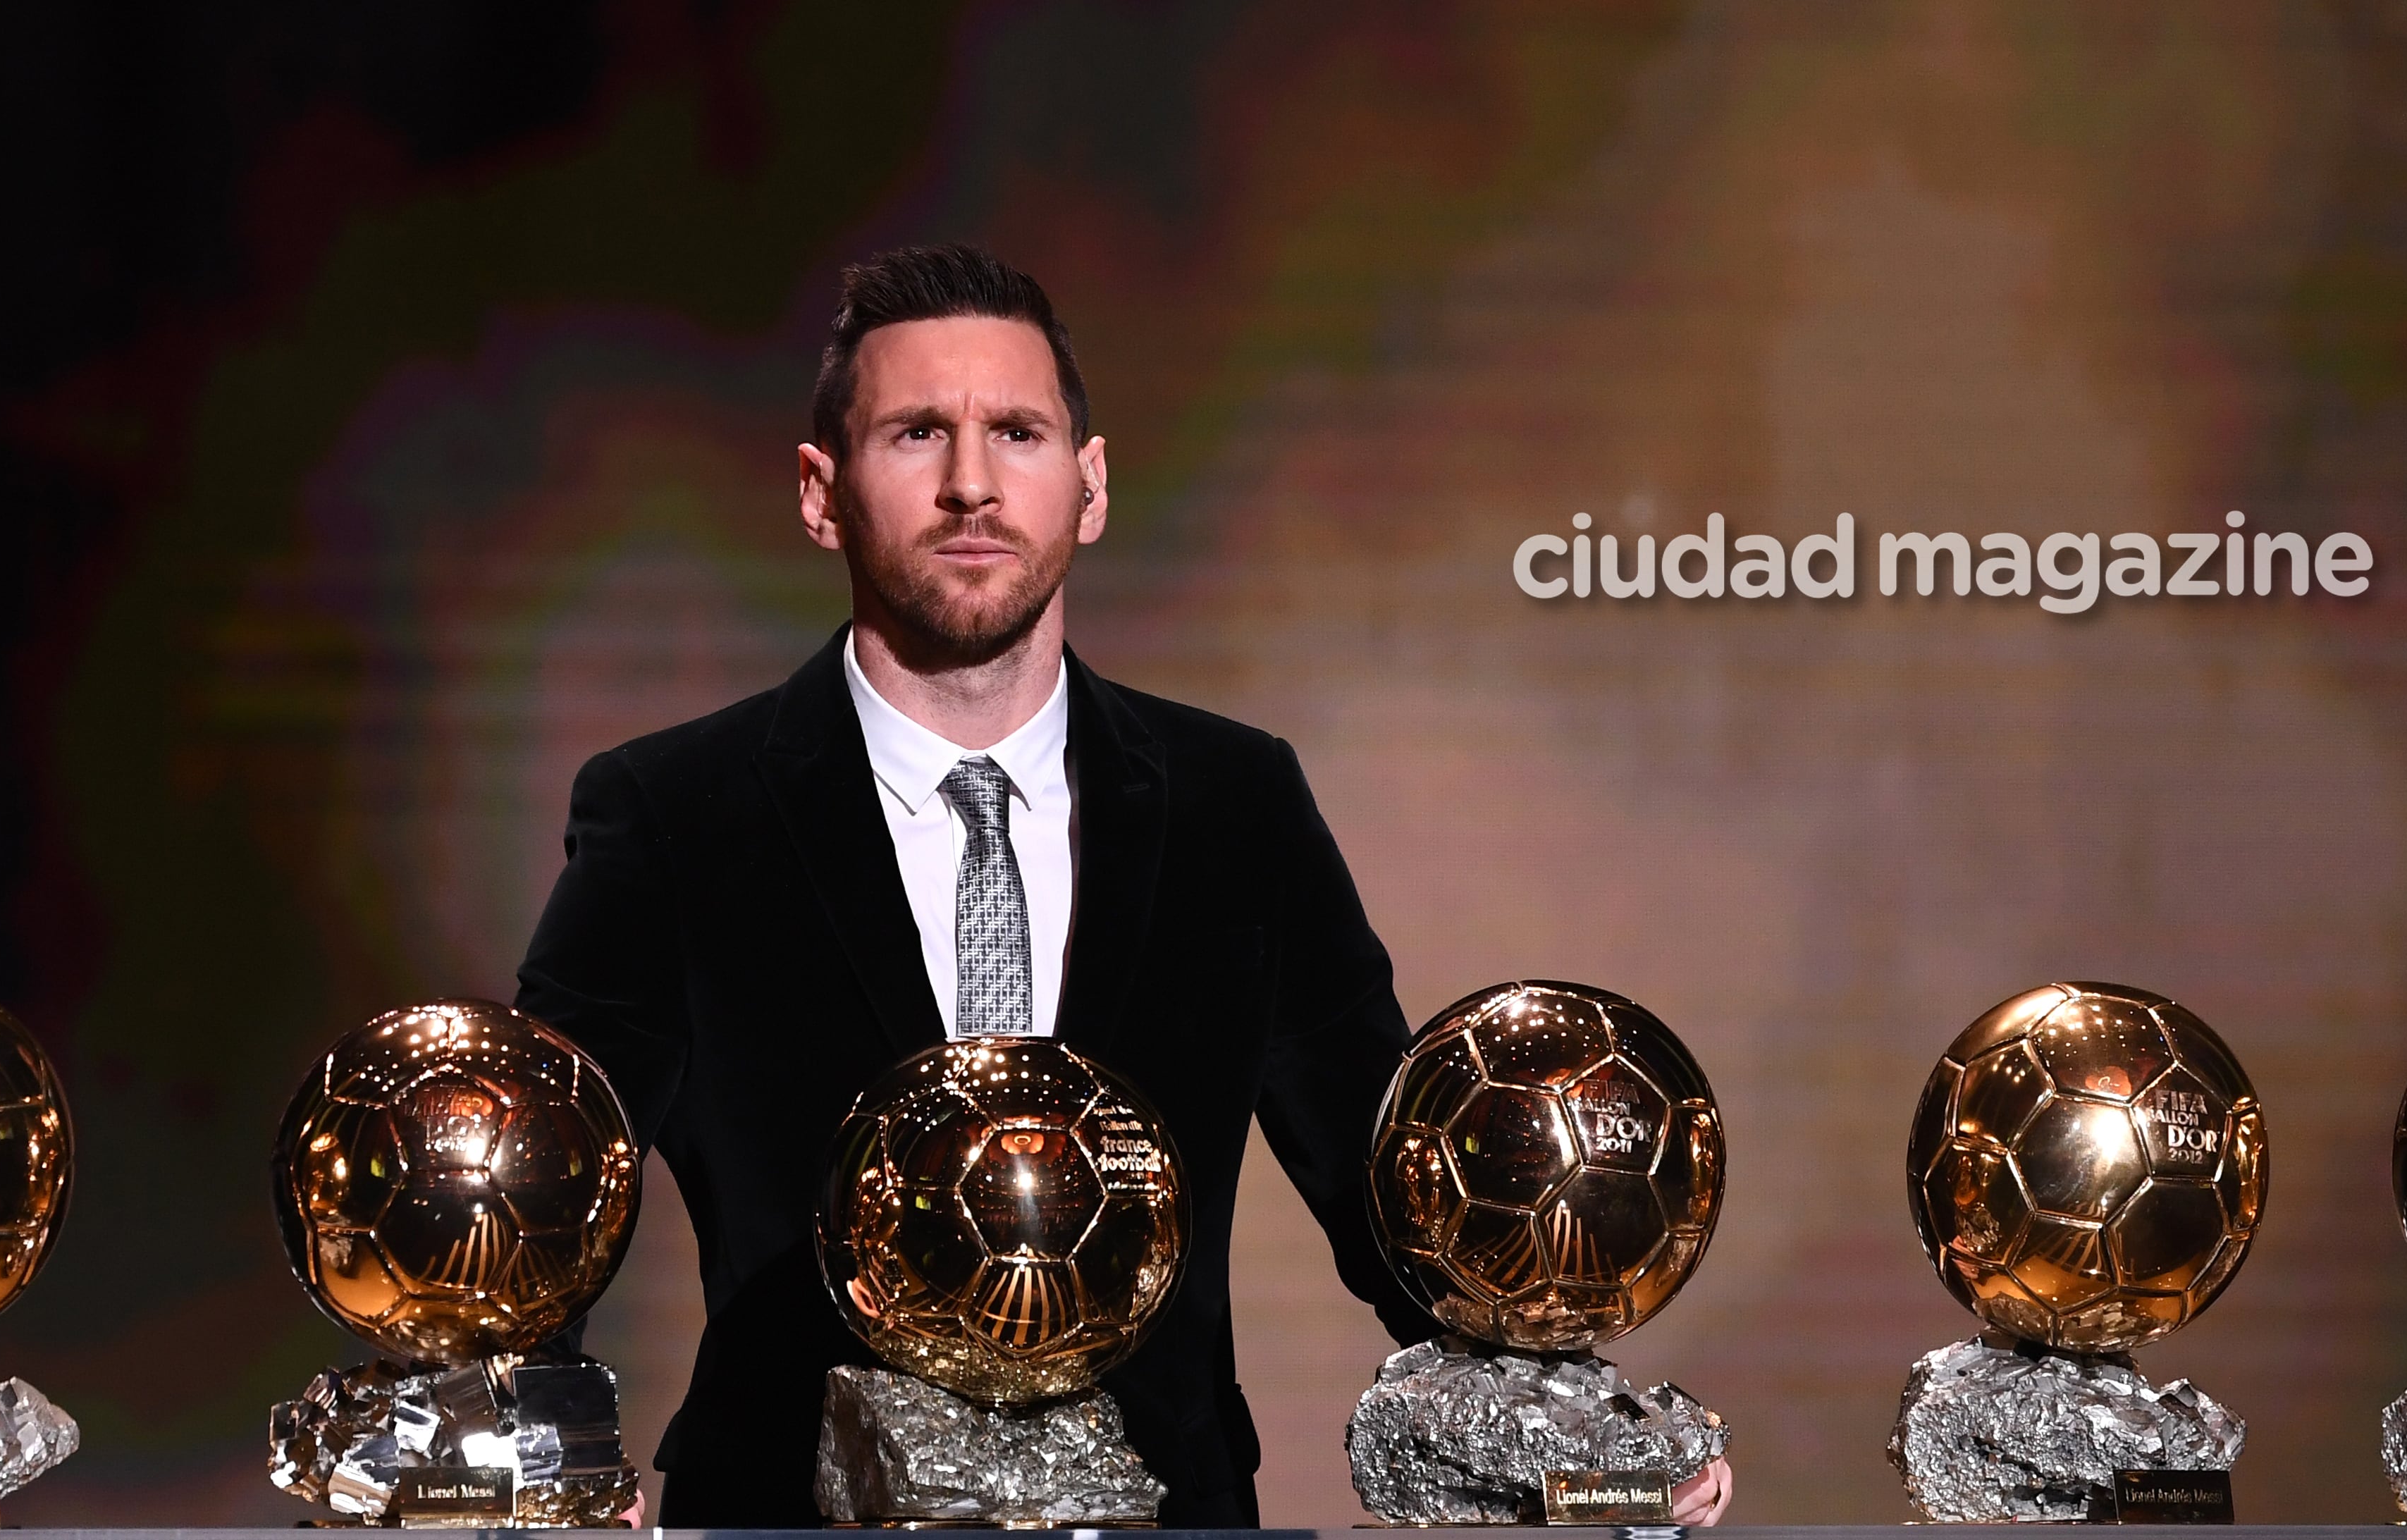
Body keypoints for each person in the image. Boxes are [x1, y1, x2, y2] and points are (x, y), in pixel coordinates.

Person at [513, 243, 1728, 1526]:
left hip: (1167, 1520)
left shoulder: (1236, 804)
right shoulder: (674, 811)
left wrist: (1578, 1427)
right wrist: (532, 1465)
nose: (972, 483)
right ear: (822, 491)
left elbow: (1399, 1194)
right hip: (795, 1523)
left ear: (1089, 486)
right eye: (918, 432)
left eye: (1019, 433)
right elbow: (540, 1187)